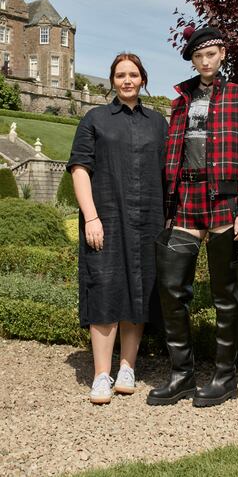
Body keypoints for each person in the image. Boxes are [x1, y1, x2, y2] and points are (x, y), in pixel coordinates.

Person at [147, 25, 238, 407]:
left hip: (224, 204)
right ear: (193, 61)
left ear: (222, 54)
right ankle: (181, 375)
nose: (205, 61)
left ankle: (224, 377)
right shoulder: (180, 101)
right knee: (172, 291)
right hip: (185, 202)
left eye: (210, 54)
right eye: (198, 56)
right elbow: (172, 156)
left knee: (224, 296)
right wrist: (168, 208)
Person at [67, 53, 168, 404]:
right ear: (112, 80)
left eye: (133, 74)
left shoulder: (158, 123)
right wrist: (91, 217)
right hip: (105, 219)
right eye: (121, 75)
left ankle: (127, 367)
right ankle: (101, 374)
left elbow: (166, 174)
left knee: (140, 288)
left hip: (148, 220)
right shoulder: (95, 119)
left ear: (143, 79)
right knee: (106, 287)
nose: (127, 80)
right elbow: (80, 169)